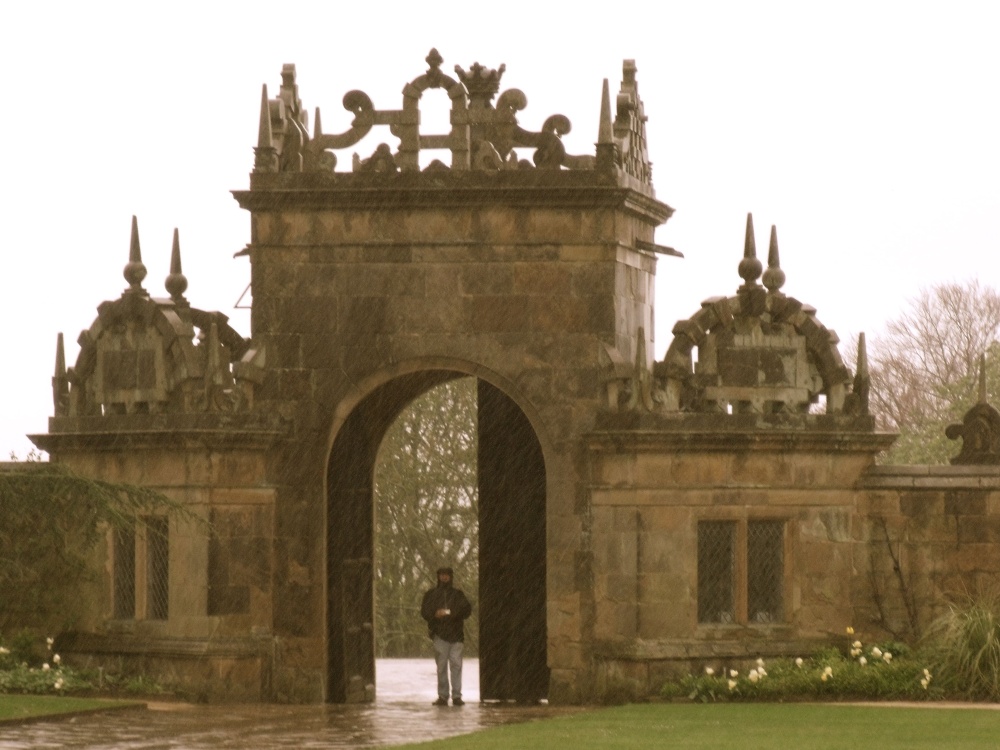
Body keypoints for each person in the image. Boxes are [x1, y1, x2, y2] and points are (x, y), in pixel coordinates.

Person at [420, 566, 473, 706]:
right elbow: (424, 612)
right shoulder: (431, 595)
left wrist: (450, 613)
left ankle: (456, 696)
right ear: (438, 576)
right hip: (439, 634)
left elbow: (467, 610)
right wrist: (435, 614)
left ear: (450, 577)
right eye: (442, 575)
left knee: (456, 664)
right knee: (441, 666)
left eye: (446, 575)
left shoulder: (458, 595)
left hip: (456, 635)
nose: (444, 577)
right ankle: (443, 696)